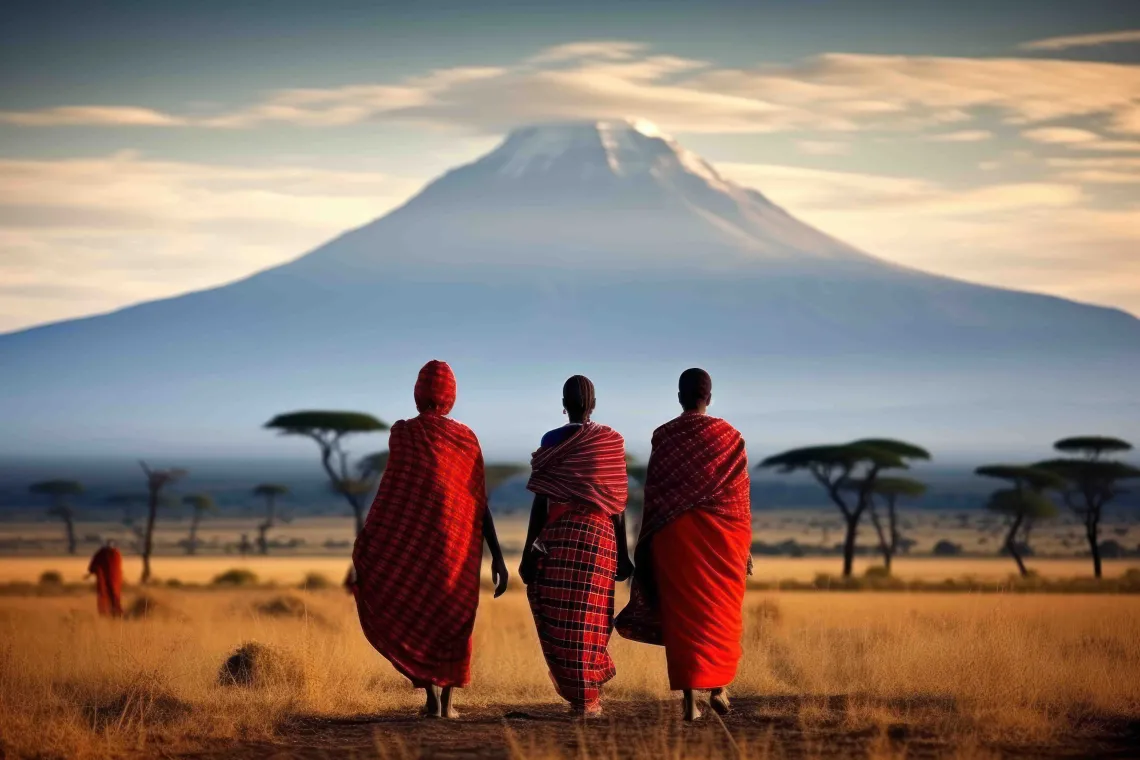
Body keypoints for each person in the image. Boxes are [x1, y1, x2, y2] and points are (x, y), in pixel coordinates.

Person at [352, 360, 509, 719]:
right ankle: (447, 705)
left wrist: (369, 544)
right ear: (451, 396)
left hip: (417, 546)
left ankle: (431, 701)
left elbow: (390, 496)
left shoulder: (403, 433)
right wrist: (496, 555)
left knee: (419, 610)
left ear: (418, 394)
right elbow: (477, 500)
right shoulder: (466, 439)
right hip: (458, 549)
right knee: (454, 619)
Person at [615, 368, 752, 721]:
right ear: (710, 397)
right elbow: (738, 501)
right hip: (723, 539)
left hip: (674, 539)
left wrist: (646, 544)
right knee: (720, 614)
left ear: (679, 397)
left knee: (682, 620)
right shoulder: (730, 437)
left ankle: (691, 701)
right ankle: (719, 687)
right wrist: (744, 548)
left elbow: (655, 496)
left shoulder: (664, 437)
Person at [521, 375, 633, 717]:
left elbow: (541, 502)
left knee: (560, 616)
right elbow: (616, 503)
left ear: (564, 405)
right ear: (594, 404)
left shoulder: (551, 441)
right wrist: (624, 554)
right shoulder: (610, 441)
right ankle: (588, 697)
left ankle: (580, 696)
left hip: (560, 538)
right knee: (592, 618)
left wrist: (528, 551)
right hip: (600, 539)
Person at [85, 539, 123, 618]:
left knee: (112, 597)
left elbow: (93, 567)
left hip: (111, 581)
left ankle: (114, 614)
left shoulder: (113, 553)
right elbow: (94, 566)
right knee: (109, 597)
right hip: (109, 581)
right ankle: (111, 614)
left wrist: (93, 571)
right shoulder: (106, 553)